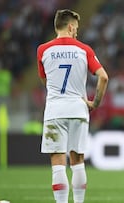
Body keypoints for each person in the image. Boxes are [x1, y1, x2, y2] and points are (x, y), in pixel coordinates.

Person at [37, 9, 108, 203]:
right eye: (75, 28)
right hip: (78, 109)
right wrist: (95, 103)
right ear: (70, 26)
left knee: (58, 164)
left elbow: (45, 79)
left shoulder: (43, 50)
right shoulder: (84, 49)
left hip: (54, 110)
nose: (76, 31)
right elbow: (103, 76)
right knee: (78, 162)